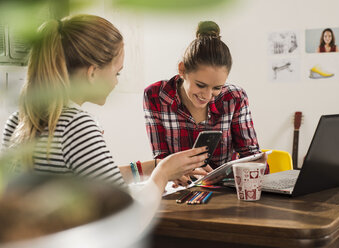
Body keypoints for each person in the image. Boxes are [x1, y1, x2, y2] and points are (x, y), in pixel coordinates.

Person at [0, 14, 209, 235]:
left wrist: (152, 167)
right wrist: (163, 174)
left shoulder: (19, 120)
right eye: (116, 72)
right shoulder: (76, 125)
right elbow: (127, 222)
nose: (116, 80)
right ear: (92, 73)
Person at [143, 21, 268, 187]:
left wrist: (257, 164)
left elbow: (249, 154)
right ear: (182, 70)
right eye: (200, 85)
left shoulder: (235, 97)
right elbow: (161, 159)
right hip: (180, 191)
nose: (208, 96)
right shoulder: (155, 96)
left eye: (217, 87)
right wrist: (173, 172)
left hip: (225, 191)